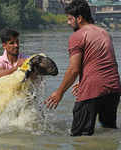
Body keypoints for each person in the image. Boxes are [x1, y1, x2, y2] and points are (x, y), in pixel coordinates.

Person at [44, 0, 121, 136]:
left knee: (79, 136)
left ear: (79, 18)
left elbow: (73, 70)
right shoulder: (104, 33)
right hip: (114, 89)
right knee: (108, 131)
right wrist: (84, 79)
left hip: (93, 90)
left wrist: (59, 93)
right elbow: (106, 61)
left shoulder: (77, 36)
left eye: (70, 19)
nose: (68, 23)